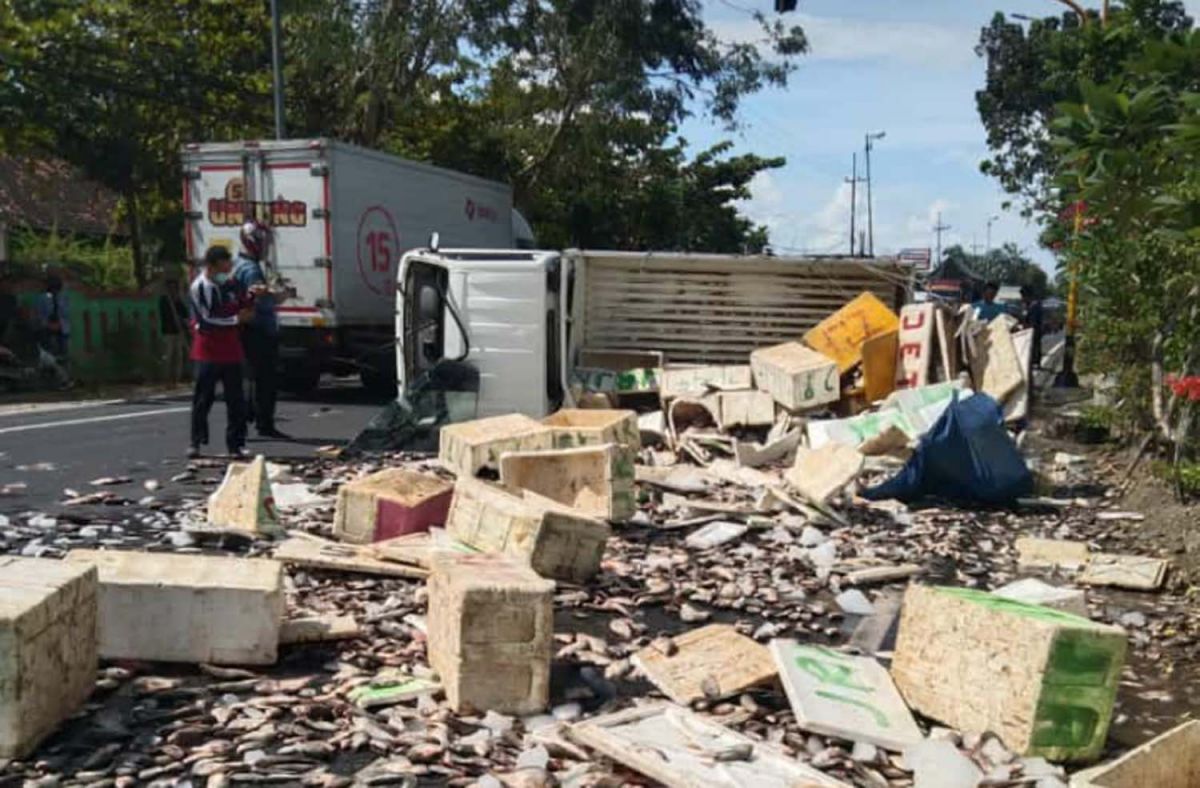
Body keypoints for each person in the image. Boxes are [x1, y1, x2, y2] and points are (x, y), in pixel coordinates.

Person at [189, 245, 254, 459]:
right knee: (203, 398)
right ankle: (196, 441)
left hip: (231, 350)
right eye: (226, 262)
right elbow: (207, 318)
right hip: (208, 351)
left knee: (236, 399)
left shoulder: (231, 284)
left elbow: (242, 303)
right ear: (215, 264)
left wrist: (253, 298)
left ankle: (235, 444)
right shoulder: (201, 286)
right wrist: (236, 319)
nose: (230, 266)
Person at [233, 220, 288, 439]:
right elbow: (263, 302)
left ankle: (247, 418)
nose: (266, 247)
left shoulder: (237, 264)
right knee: (266, 380)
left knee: (250, 378)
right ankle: (264, 423)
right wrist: (282, 295)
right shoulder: (251, 269)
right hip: (259, 330)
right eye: (263, 242)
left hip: (244, 330)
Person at [1020, 285, 1045, 370]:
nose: (1022, 298)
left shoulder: (1034, 306)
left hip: (1034, 330)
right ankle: (1034, 362)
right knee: (1034, 346)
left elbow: (1033, 321)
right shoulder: (1029, 305)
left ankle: (1035, 362)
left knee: (1034, 346)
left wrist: (1026, 327)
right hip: (1032, 329)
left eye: (1023, 296)